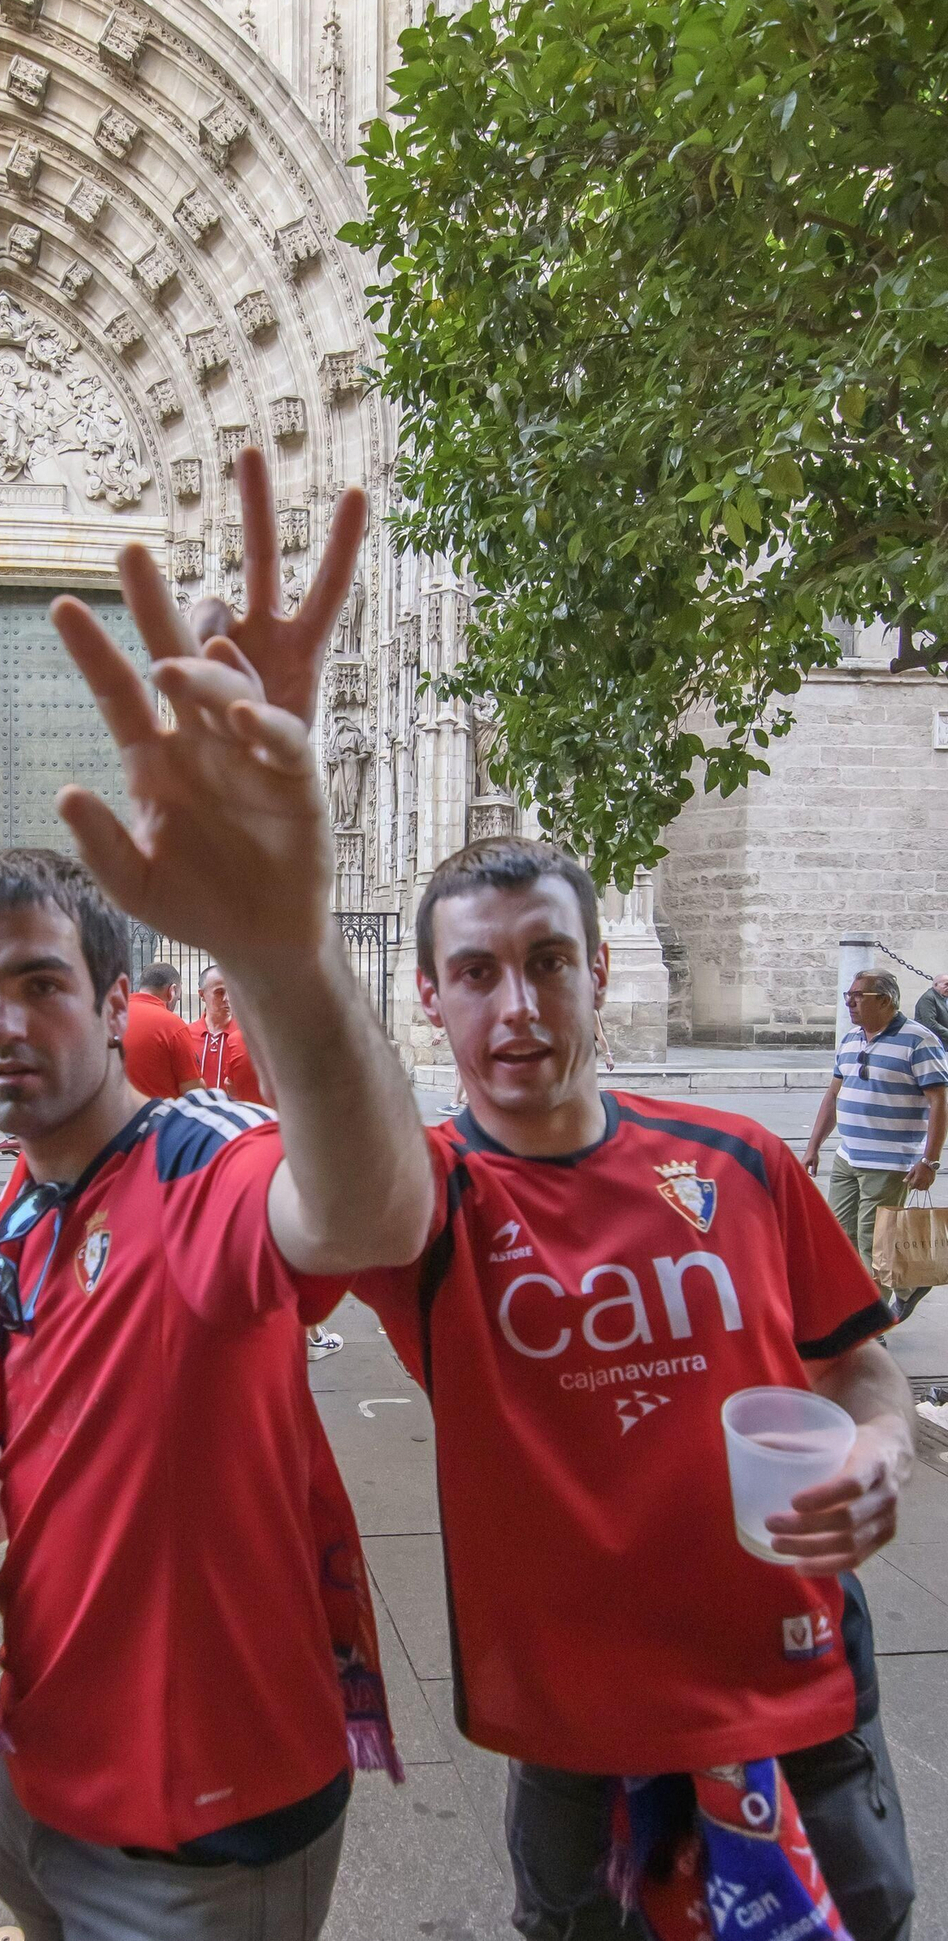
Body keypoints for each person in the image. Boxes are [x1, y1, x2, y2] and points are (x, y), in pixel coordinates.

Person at [174, 455, 917, 1941]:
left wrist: (885, 1446)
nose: (516, 1004)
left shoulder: (746, 1164)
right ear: (435, 1002)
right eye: (474, 972)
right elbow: (330, 1172)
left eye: (548, 960)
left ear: (590, 971)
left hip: (798, 1684)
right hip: (577, 1733)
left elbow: (855, 1357)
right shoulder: (423, 1205)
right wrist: (283, 915)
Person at [0, 473, 432, 1940]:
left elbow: (372, 1211)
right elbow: (25, 1430)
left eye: (40, 982)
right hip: (45, 1766)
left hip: (210, 1816)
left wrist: (288, 950)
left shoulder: (205, 1162)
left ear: (119, 997)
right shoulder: (22, 1215)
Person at [804, 968, 948, 1294]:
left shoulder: (919, 1040)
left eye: (858, 996)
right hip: (847, 1155)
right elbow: (833, 1096)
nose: (850, 1004)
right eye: (848, 996)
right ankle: (866, 1302)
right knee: (841, 1236)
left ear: (884, 1000)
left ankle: (873, 1322)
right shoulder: (851, 1038)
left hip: (889, 1163)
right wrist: (814, 1147)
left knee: (874, 1243)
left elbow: (939, 1103)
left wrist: (930, 1161)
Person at [122, 960, 202, 1098]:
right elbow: (193, 1091)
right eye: (178, 998)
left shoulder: (113, 1013)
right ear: (172, 991)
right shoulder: (173, 1025)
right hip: (160, 1116)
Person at [192, 962, 269, 1103]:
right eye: (219, 992)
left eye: (231, 991)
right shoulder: (187, 1034)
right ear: (201, 994)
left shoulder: (246, 1038)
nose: (227, 999)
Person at [912, 972, 948, 1052]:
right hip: (933, 1043)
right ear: (936, 985)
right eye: (946, 984)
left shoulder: (943, 997)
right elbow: (930, 1023)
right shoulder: (928, 998)